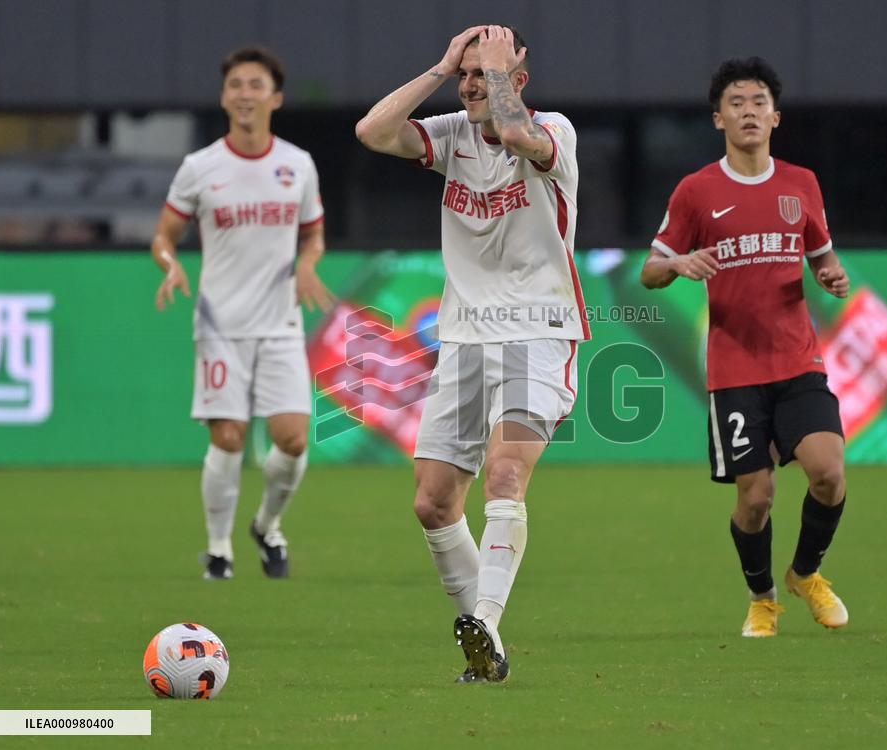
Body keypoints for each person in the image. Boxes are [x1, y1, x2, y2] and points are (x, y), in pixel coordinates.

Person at [356, 25, 589, 681]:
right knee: (432, 503)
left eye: (484, 77)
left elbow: (517, 136)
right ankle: (487, 645)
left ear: (519, 81)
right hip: (463, 337)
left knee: (506, 475)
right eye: (467, 80)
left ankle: (483, 618)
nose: (471, 88)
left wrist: (496, 72)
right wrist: (441, 67)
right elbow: (373, 131)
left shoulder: (555, 133)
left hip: (537, 329)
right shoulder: (453, 133)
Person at [641, 57, 851, 637]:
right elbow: (649, 272)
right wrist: (678, 263)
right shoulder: (697, 191)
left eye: (759, 101)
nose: (749, 111)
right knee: (755, 499)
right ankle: (762, 598)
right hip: (734, 370)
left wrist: (832, 276)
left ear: (775, 117)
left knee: (829, 473)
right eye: (736, 103)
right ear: (719, 119)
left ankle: (806, 575)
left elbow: (822, 257)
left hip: (797, 359)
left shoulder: (801, 184)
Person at [151, 45, 330, 580]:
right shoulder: (200, 167)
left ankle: (268, 526)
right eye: (236, 85)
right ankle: (219, 549)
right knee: (228, 437)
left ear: (275, 97)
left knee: (293, 440)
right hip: (220, 324)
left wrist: (308, 263)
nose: (245, 94)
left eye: (256, 85)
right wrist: (170, 264)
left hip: (279, 323)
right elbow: (165, 234)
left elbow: (314, 234)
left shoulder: (297, 165)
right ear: (224, 96)